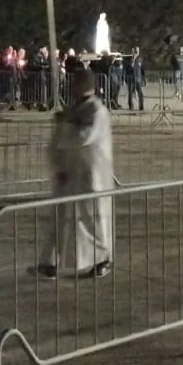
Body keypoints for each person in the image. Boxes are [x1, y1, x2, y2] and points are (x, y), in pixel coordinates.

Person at [37, 69, 114, 279]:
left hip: (91, 173)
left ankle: (102, 259)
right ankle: (51, 262)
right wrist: (59, 164)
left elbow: (83, 137)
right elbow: (60, 140)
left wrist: (66, 124)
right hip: (71, 171)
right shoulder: (74, 109)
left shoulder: (96, 111)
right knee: (61, 216)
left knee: (94, 219)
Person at [123, 46, 145, 111]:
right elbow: (126, 69)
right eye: (135, 50)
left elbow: (142, 69)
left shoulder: (140, 59)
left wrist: (144, 78)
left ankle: (141, 106)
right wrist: (124, 78)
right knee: (130, 93)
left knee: (140, 93)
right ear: (132, 51)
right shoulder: (129, 59)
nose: (136, 52)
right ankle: (131, 106)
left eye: (137, 50)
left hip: (138, 79)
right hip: (131, 79)